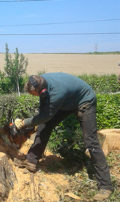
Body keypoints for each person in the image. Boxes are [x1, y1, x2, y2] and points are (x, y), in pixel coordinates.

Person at [14, 72, 113, 200]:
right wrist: (34, 121)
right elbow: (43, 112)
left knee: (91, 141)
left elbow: (45, 116)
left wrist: (24, 122)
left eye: (35, 94)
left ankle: (106, 186)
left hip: (85, 100)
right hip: (68, 101)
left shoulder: (56, 93)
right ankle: (31, 160)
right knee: (45, 126)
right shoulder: (41, 81)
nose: (34, 96)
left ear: (42, 91)